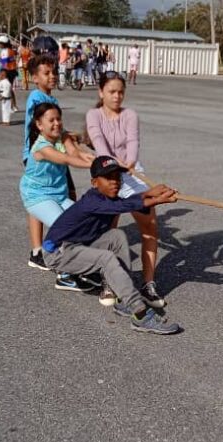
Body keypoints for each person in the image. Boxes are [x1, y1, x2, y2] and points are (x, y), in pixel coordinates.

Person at [42, 157, 182, 334]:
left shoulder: (107, 198)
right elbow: (124, 206)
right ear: (94, 183)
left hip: (77, 245)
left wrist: (149, 193)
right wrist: (156, 199)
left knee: (116, 236)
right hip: (58, 252)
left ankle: (124, 300)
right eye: (108, 178)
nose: (115, 182)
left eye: (117, 177)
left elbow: (125, 203)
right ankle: (140, 314)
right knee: (106, 258)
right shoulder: (93, 201)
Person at [86, 72, 165, 307]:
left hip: (131, 172)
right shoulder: (93, 115)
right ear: (101, 92)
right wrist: (114, 165)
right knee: (109, 230)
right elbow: (99, 144)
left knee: (150, 227)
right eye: (112, 91)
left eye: (121, 92)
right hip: (107, 173)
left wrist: (129, 162)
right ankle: (109, 281)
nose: (117, 96)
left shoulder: (130, 115)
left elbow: (133, 142)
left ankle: (148, 284)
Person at [22, 55, 94, 289]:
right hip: (41, 155)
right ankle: (53, 257)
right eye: (46, 73)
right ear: (34, 77)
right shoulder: (37, 98)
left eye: (54, 72)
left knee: (64, 204)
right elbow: (49, 132)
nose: (52, 76)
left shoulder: (50, 99)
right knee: (50, 206)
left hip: (52, 156)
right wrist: (67, 140)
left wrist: (77, 145)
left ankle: (44, 250)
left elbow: (63, 138)